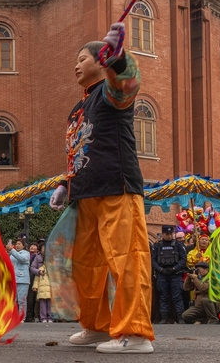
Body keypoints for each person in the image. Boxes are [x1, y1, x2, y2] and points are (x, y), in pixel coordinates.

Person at [52, 23, 154, 353]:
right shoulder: (77, 109)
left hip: (117, 186)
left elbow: (127, 84)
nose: (76, 65)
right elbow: (79, 151)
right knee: (86, 266)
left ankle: (135, 332)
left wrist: (119, 59)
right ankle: (97, 326)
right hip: (85, 195)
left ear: (101, 61)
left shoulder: (109, 92)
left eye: (83, 58)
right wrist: (66, 185)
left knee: (126, 260)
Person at [152, 224, 186, 324]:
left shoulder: (178, 245)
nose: (170, 236)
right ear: (162, 234)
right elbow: (153, 260)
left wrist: (175, 268)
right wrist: (160, 269)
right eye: (167, 234)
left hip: (175, 273)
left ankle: (180, 317)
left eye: (171, 234)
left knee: (177, 296)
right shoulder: (157, 246)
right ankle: (164, 318)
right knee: (163, 296)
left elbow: (183, 259)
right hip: (162, 274)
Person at [9, 239, 31, 321]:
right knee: (12, 300)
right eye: (16, 244)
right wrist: (8, 252)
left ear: (23, 246)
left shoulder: (26, 253)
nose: (17, 245)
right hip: (13, 279)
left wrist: (12, 251)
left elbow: (22, 259)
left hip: (23, 280)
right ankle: (13, 317)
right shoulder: (12, 254)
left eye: (19, 244)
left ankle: (21, 317)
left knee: (22, 300)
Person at [33, 240, 52, 323]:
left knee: (50, 303)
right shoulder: (37, 258)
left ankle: (50, 317)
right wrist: (35, 286)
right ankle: (43, 317)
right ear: (40, 249)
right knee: (42, 303)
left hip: (50, 286)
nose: (45, 249)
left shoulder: (52, 258)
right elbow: (33, 270)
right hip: (41, 286)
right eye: (43, 248)